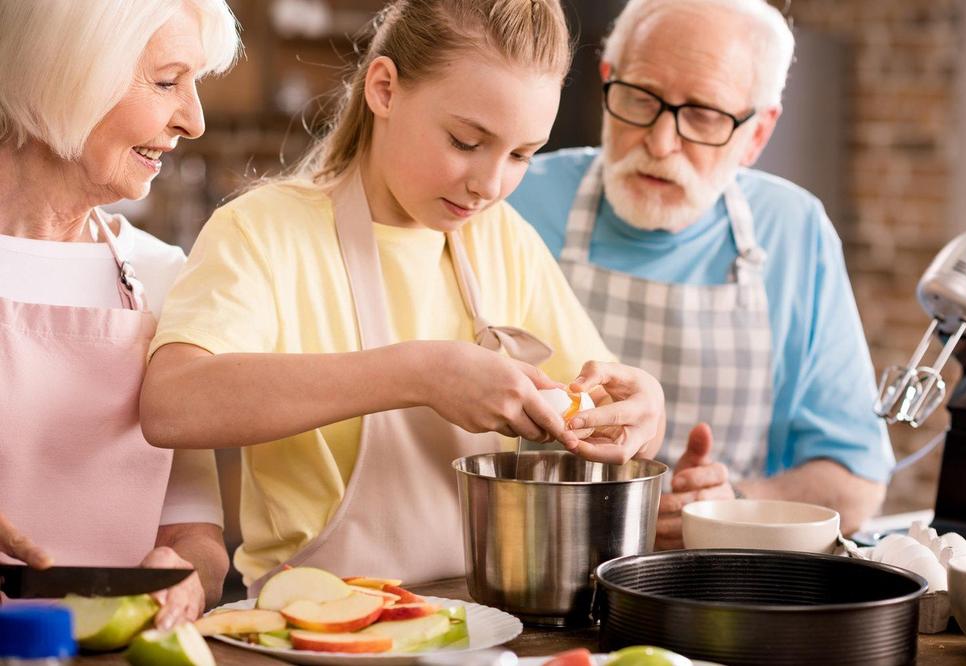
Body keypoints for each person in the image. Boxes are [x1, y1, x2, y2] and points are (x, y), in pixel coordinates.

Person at [139, 0, 666, 590]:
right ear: (385, 89)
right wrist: (417, 374)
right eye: (467, 141)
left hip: (483, 631)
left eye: (521, 155)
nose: (490, 185)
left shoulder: (502, 239)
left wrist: (639, 406)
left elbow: (597, 402)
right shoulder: (263, 231)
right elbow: (172, 403)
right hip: (314, 633)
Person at [506, 0, 895, 546]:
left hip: (716, 587)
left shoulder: (793, 232)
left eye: (704, 117)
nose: (661, 143)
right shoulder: (514, 197)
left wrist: (733, 507)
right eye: (639, 99)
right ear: (606, 81)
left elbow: (856, 485)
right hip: (535, 561)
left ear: (757, 134)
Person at [0, 0, 240, 626]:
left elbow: (198, 540)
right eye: (167, 82)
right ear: (65, 73)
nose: (194, 119)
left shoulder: (162, 274)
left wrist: (184, 578)